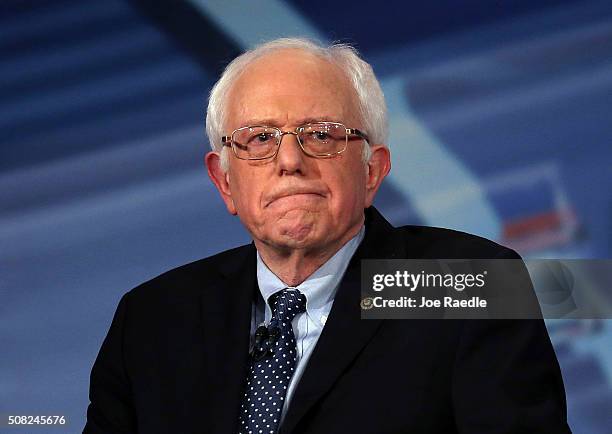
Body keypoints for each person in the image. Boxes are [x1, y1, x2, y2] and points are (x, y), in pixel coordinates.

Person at [84, 38, 571, 434]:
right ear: (225, 182)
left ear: (373, 170)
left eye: (320, 135)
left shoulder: (467, 285)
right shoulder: (152, 320)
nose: (289, 162)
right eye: (259, 139)